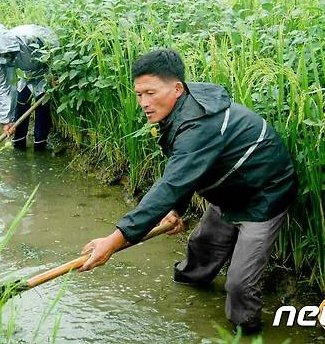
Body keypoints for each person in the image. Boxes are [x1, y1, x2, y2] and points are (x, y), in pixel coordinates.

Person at [79, 49, 298, 335]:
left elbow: (170, 184)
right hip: (227, 189)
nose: (143, 103)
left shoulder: (200, 125)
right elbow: (184, 172)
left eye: (150, 93)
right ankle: (193, 288)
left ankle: (246, 334)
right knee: (201, 250)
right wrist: (176, 210)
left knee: (239, 286)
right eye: (138, 95)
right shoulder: (181, 109)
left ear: (178, 88)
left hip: (263, 195)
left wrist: (113, 240)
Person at [0, 20, 58, 151]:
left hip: (44, 69)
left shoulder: (29, 39)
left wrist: (54, 74)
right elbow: (3, 87)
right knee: (22, 101)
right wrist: (6, 120)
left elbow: (54, 49)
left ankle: (40, 145)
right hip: (24, 72)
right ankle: (19, 144)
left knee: (42, 105)